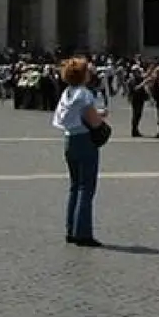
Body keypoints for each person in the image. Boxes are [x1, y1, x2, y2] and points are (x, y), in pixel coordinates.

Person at [53, 58, 108, 246]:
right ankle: (83, 233)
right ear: (82, 75)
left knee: (75, 186)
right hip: (85, 141)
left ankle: (71, 230)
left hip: (69, 140)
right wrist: (101, 116)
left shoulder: (67, 93)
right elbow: (94, 122)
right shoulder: (84, 94)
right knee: (86, 188)